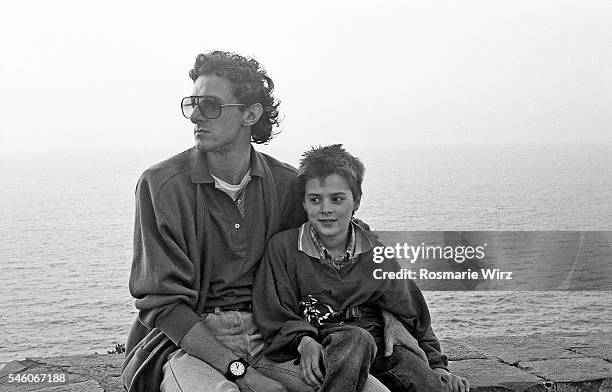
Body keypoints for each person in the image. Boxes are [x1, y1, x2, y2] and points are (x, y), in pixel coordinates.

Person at [121, 51, 413, 392]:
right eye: (192, 103)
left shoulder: (288, 184)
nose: (196, 116)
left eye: (211, 105)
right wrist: (243, 375)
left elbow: (350, 241)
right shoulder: (161, 186)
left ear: (250, 113)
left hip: (274, 335)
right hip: (188, 345)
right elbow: (164, 304)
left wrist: (393, 312)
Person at [253, 144, 470, 392]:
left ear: (355, 201)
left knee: (428, 383)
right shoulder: (283, 249)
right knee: (356, 339)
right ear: (303, 203)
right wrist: (302, 339)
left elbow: (413, 312)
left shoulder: (376, 253)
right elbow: (273, 311)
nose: (326, 209)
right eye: (315, 200)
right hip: (325, 345)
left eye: (337, 199)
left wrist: (438, 366)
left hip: (379, 347)